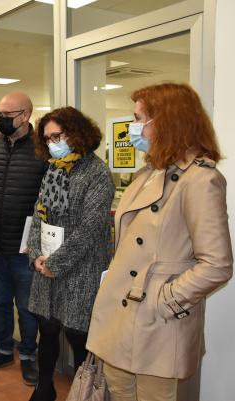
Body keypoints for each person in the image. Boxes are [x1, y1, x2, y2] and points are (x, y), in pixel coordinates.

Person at [87, 83, 233, 401]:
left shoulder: (200, 180)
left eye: (139, 118)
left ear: (166, 121)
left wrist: (165, 300)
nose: (132, 127)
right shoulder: (149, 173)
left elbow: (217, 264)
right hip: (122, 313)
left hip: (157, 321)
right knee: (119, 391)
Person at [26, 107, 115, 401]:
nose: (53, 143)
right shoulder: (54, 167)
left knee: (79, 336)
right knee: (47, 330)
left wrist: (57, 263)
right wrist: (37, 255)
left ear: (77, 133)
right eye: (48, 138)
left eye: (58, 136)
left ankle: (83, 393)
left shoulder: (97, 173)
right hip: (46, 267)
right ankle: (44, 387)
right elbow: (39, 215)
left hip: (81, 268)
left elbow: (90, 229)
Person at [0, 92, 48, 386]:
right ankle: (4, 349)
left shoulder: (42, 152)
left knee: (27, 307)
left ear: (25, 115)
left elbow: (48, 203)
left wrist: (36, 242)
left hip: (24, 249)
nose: (1, 120)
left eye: (7, 114)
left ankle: (27, 355)